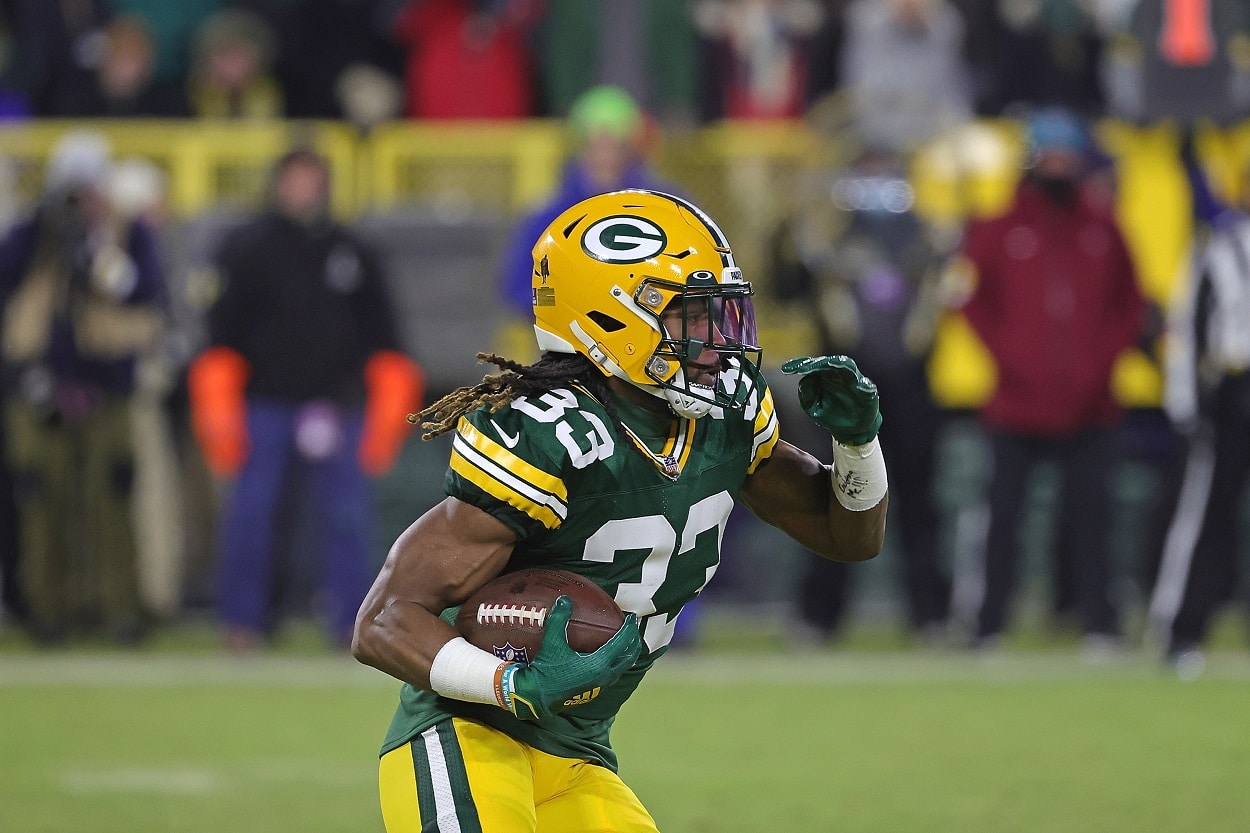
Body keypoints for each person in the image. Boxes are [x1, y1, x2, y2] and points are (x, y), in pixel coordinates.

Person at [352, 189, 888, 831]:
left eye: (721, 317)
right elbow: (383, 621)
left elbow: (848, 537)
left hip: (578, 752)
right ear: (614, 319)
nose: (719, 343)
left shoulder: (727, 416)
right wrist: (507, 684)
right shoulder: (552, 434)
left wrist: (857, 445)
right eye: (692, 319)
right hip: (467, 736)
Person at [187, 148, 424, 651]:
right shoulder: (246, 247)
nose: (302, 191)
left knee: (346, 520)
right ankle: (242, 623)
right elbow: (219, 337)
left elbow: (385, 337)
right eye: (294, 180)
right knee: (251, 516)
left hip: (336, 407)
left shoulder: (352, 250)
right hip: (264, 407)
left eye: (311, 180)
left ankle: (352, 624)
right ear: (277, 184)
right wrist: (220, 412)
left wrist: (383, 416)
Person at [954, 107, 1145, 652]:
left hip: (1092, 404)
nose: (1058, 166)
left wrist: (1100, 362)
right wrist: (1011, 356)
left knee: (1093, 520)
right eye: (1049, 155)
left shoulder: (1105, 227)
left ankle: (1099, 624)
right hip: (1015, 404)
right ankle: (987, 625)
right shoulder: (998, 228)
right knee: (1002, 522)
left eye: (1067, 156)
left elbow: (1130, 303)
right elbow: (971, 301)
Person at [770, 145, 951, 643]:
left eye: (886, 178)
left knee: (918, 507)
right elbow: (784, 287)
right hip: (841, 399)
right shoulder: (827, 242)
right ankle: (818, 617)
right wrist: (790, 229)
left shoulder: (926, 242)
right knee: (833, 504)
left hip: (911, 395)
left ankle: (931, 615)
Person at [0, 130, 167, 644]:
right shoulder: (31, 235)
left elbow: (146, 300)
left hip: (107, 390)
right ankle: (45, 612)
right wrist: (30, 376)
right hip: (38, 390)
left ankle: (119, 611)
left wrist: (105, 249)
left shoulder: (124, 233)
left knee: (112, 500)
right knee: (41, 501)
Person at [1149, 128, 1250, 676]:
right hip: (1233, 392)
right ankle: (1181, 629)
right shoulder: (1219, 247)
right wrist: (1186, 403)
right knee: (1203, 516)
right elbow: (1187, 326)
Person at [498, 85, 675, 317]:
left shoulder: (663, 209)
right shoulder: (548, 218)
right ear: (582, 147)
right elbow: (519, 287)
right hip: (570, 344)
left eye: (615, 146)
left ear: (630, 148)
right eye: (597, 145)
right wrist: (570, 305)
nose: (605, 157)